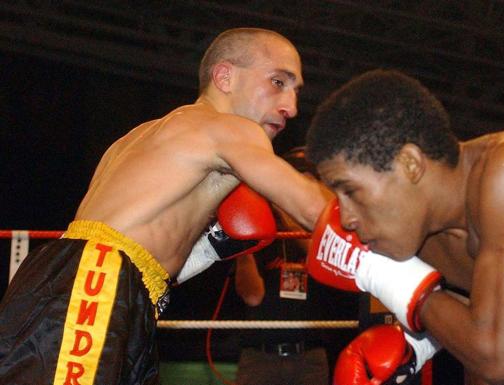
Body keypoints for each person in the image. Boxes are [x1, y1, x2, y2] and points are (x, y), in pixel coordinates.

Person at [0, 27, 327, 385]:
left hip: (99, 285)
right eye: (278, 82)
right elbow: (311, 208)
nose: (291, 107)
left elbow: (138, 252)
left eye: (296, 91)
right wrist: (387, 221)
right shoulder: (232, 129)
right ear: (225, 76)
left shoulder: (139, 137)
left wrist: (209, 250)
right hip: (95, 282)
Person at [304, 69, 504, 385]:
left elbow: (498, 362)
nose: (346, 218)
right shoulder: (421, 237)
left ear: (410, 164)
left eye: (350, 190)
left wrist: (385, 276)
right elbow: (488, 351)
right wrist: (423, 341)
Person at [234, 146, 357, 385]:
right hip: (260, 356)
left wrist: (289, 209)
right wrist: (242, 252)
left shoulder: (327, 229)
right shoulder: (260, 230)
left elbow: (317, 252)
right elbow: (252, 296)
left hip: (309, 355)